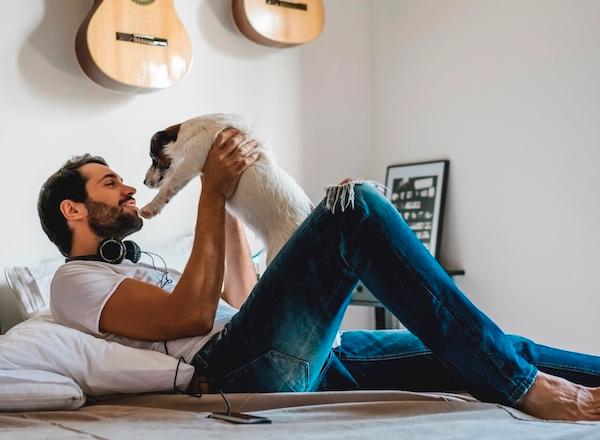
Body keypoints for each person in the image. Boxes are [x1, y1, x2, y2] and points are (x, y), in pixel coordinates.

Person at [38, 128, 600, 421]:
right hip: (238, 374)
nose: (130, 186)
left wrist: (228, 195)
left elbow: (239, 298)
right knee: (353, 206)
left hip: (287, 353)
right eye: (110, 183)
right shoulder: (73, 282)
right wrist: (208, 190)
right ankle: (530, 392)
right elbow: (191, 315)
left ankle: (530, 376)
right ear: (74, 210)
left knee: (497, 349)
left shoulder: (142, 264)